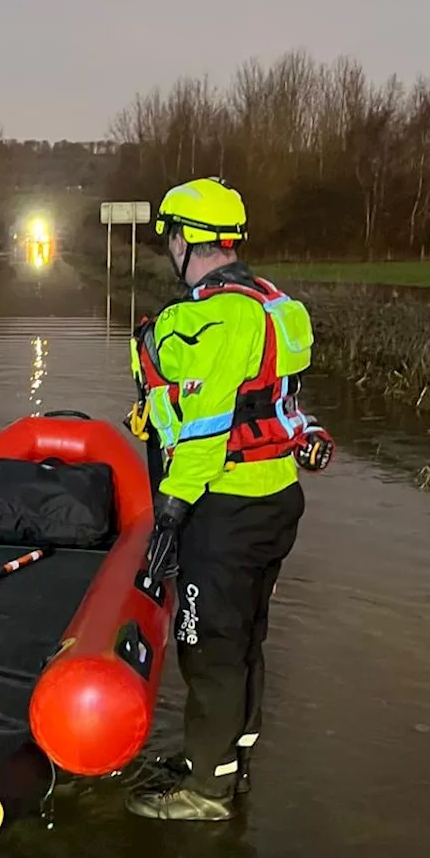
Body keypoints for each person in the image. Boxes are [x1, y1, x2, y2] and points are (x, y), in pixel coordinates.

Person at [128, 177, 334, 821]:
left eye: (170, 236)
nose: (168, 248)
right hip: (277, 502)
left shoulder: (213, 316)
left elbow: (206, 425)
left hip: (222, 507)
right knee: (246, 637)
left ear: (186, 240)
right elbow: (278, 402)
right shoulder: (279, 306)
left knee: (207, 645)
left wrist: (172, 509)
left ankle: (206, 793)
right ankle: (226, 758)